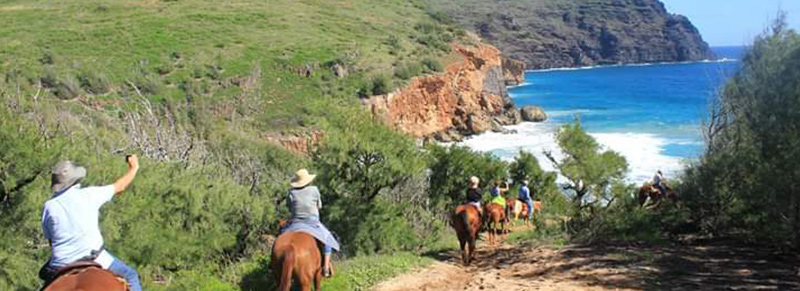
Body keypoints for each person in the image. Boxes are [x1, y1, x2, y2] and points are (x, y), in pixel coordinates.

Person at [40, 156, 142, 291]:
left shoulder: (49, 206)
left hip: (61, 263)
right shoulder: (90, 194)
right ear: (76, 179)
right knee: (130, 275)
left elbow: (51, 242)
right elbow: (120, 186)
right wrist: (134, 167)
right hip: (96, 257)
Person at [280, 169, 340, 277]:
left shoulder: (291, 193)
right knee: (328, 239)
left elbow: (289, 207)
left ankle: (274, 263)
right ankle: (326, 267)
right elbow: (319, 206)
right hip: (312, 223)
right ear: (308, 181)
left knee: (281, 236)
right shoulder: (314, 190)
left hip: (295, 223)